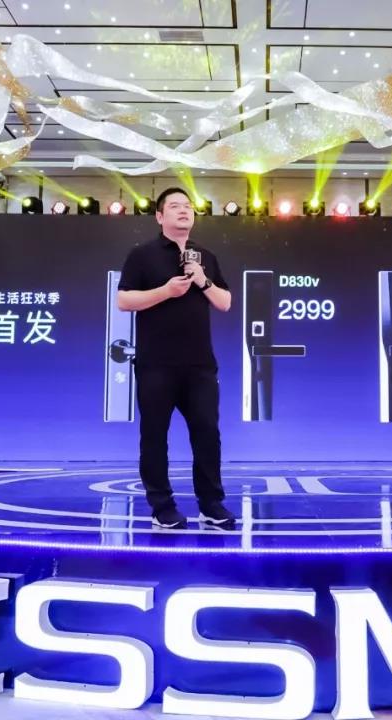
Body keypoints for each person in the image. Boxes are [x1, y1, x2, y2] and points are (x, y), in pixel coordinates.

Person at [116, 187, 235, 529]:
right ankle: (162, 506)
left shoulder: (205, 257)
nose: (184, 211)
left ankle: (211, 504)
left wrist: (203, 280)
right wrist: (166, 291)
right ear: (159, 216)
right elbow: (124, 301)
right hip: (156, 363)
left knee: (207, 433)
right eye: (175, 206)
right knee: (155, 436)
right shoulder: (142, 255)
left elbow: (225, 302)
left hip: (199, 365)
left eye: (188, 206)